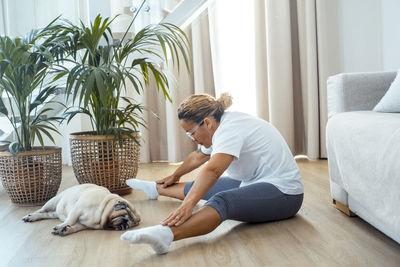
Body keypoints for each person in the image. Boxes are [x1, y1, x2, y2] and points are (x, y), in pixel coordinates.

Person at [121, 93, 304, 254]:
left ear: (206, 122)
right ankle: (156, 189)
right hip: (255, 182)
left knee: (222, 200)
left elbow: (213, 169)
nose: (192, 138)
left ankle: (165, 235)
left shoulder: (229, 130)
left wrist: (188, 205)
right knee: (201, 185)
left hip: (285, 194)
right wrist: (175, 176)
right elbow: (198, 157)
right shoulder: (220, 125)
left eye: (191, 132)